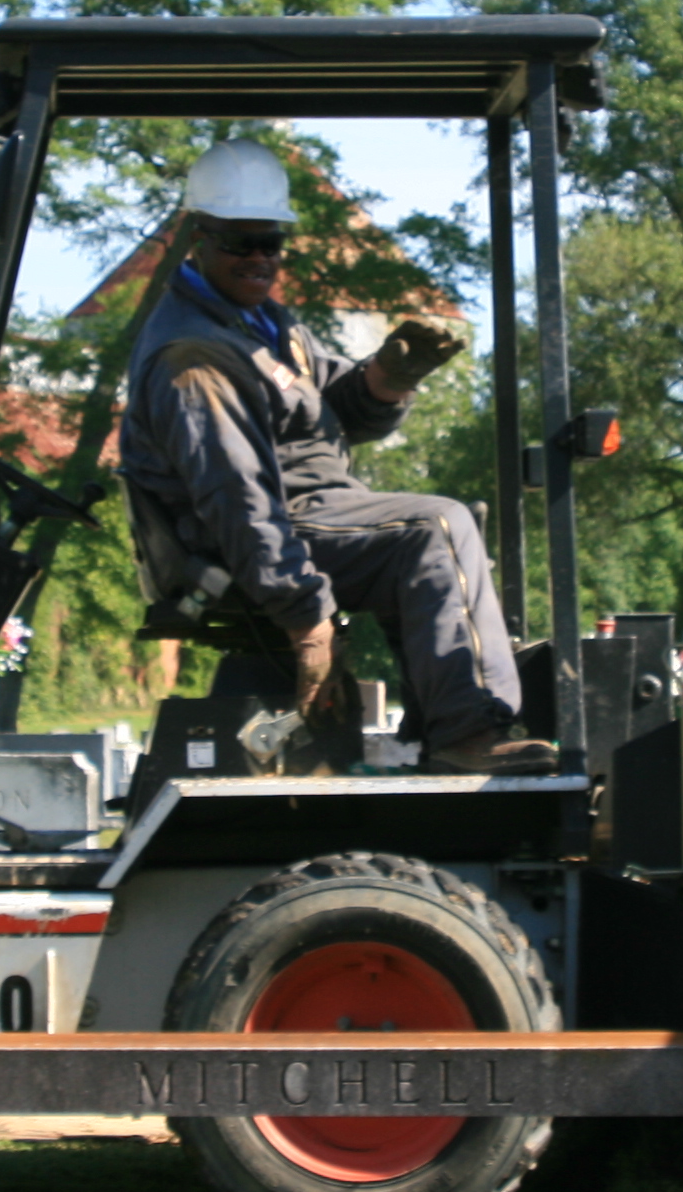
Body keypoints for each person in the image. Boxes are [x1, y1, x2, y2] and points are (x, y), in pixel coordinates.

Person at [119, 138, 555, 774]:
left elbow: (327, 406)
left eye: (271, 241)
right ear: (199, 237)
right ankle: (468, 732)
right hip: (251, 539)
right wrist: (308, 618)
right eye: (241, 242)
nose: (260, 257)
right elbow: (238, 502)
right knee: (430, 529)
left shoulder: (261, 323)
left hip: (308, 512)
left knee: (448, 525)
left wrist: (389, 377)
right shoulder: (196, 359)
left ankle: (443, 720)